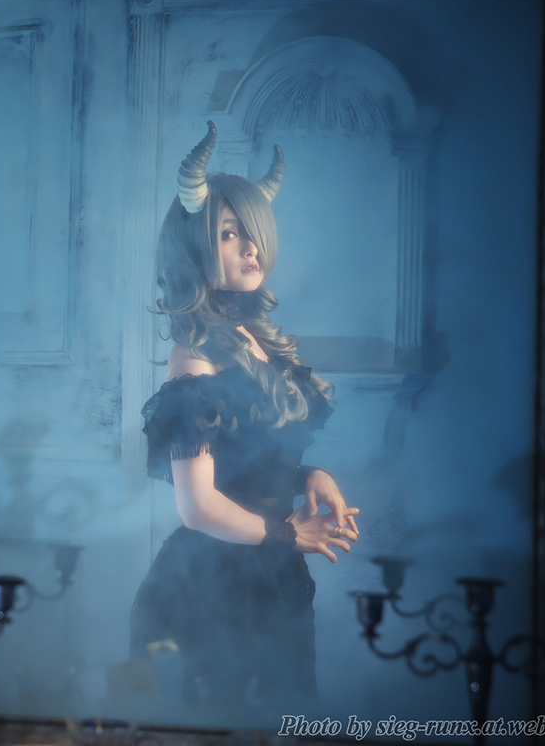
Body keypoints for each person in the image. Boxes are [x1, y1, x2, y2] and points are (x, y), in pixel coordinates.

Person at [129, 121, 360, 718]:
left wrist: (308, 475)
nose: (251, 248)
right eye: (230, 233)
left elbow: (248, 458)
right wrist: (288, 533)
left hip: (274, 579)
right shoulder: (194, 356)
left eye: (253, 233)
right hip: (210, 588)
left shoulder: (252, 337)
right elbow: (198, 506)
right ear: (195, 245)